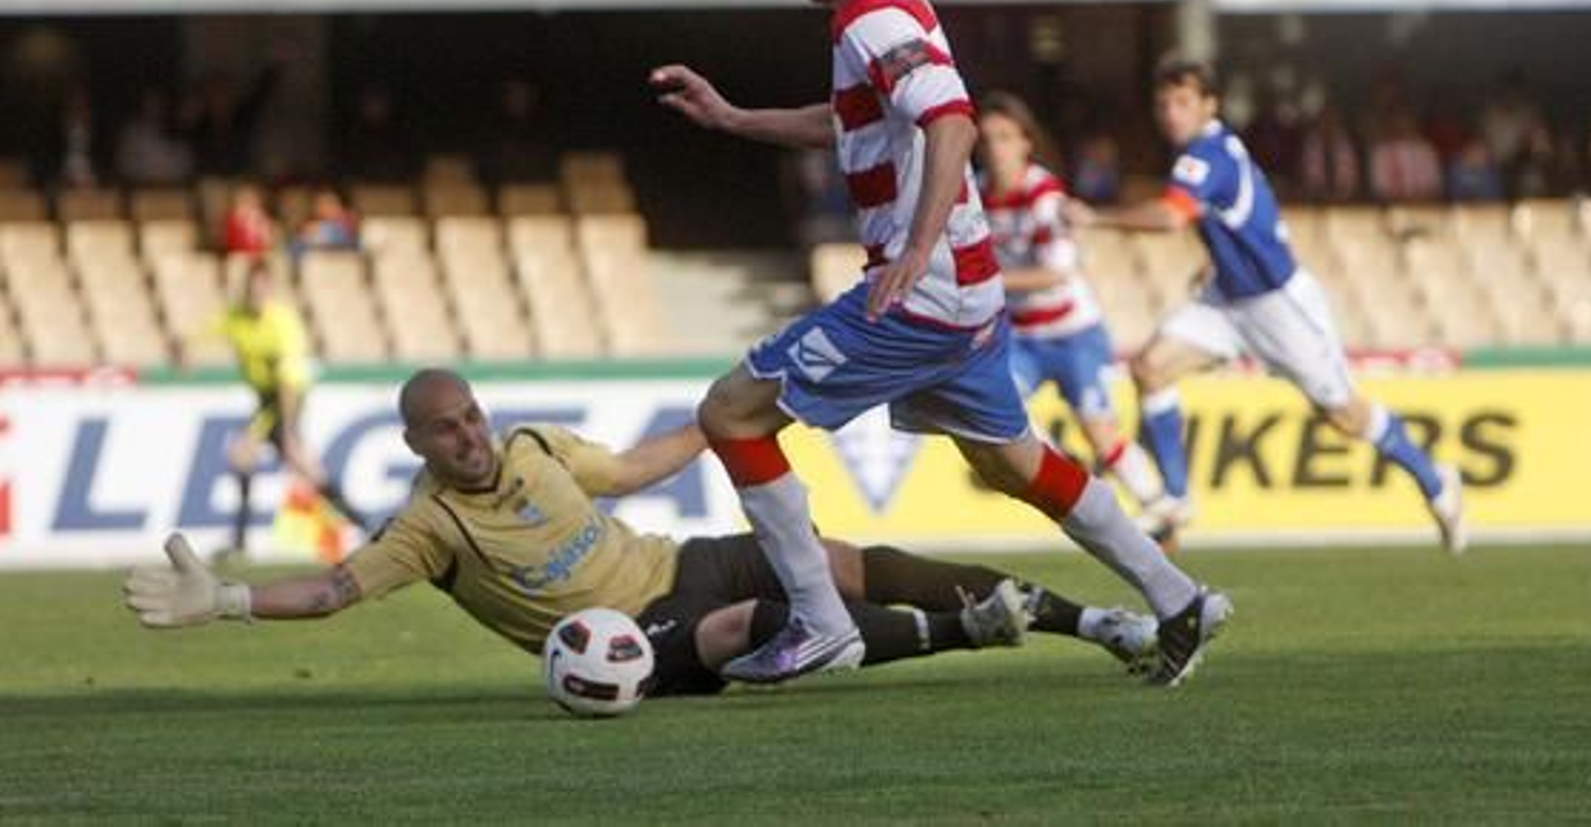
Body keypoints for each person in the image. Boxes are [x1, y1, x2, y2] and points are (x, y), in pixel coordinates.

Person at [650, 0, 1228, 687]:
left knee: (732, 414)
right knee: (1012, 463)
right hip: (968, 293)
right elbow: (855, 124)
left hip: (923, 295)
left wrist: (917, 247)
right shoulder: (894, 9)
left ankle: (819, 622)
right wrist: (735, 118)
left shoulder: (869, 17)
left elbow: (950, 121)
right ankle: (1177, 598)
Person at [124, 370, 1164, 697]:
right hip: (629, 639)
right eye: (446, 426)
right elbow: (334, 591)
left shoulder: (534, 443)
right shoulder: (428, 527)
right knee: (756, 621)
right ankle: (971, 632)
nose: (470, 433)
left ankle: (1100, 621)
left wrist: (727, 423)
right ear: (416, 441)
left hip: (680, 561)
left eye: (472, 414)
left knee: (859, 560)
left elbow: (626, 469)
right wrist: (223, 598)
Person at [1062, 57, 1467, 552]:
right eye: (1164, 103)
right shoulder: (1208, 153)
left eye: (1183, 101)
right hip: (1227, 300)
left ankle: (1436, 482)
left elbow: (1171, 218)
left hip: (1278, 305)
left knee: (1344, 416)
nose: (1171, 112)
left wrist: (1095, 218)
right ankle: (1175, 497)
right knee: (1149, 368)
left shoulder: (1207, 155)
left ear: (1210, 105)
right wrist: (1219, 262)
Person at [975, 92, 1177, 533]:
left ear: (1027, 142)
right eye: (987, 138)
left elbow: (1056, 273)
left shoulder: (1045, 195)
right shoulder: (975, 195)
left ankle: (1159, 506)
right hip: (1022, 334)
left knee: (1099, 429)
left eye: (1005, 137)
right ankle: (1075, 486)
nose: (995, 148)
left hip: (1073, 332)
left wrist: (987, 282)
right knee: (1002, 414)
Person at [191, 260, 365, 557]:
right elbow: (202, 335)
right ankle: (367, 527)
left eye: (261, 289)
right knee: (299, 468)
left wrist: (287, 430)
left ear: (270, 290)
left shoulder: (283, 323)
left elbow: (287, 381)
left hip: (288, 396)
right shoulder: (236, 317)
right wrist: (185, 347)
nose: (256, 295)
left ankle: (239, 543)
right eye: (252, 289)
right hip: (265, 398)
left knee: (255, 455)